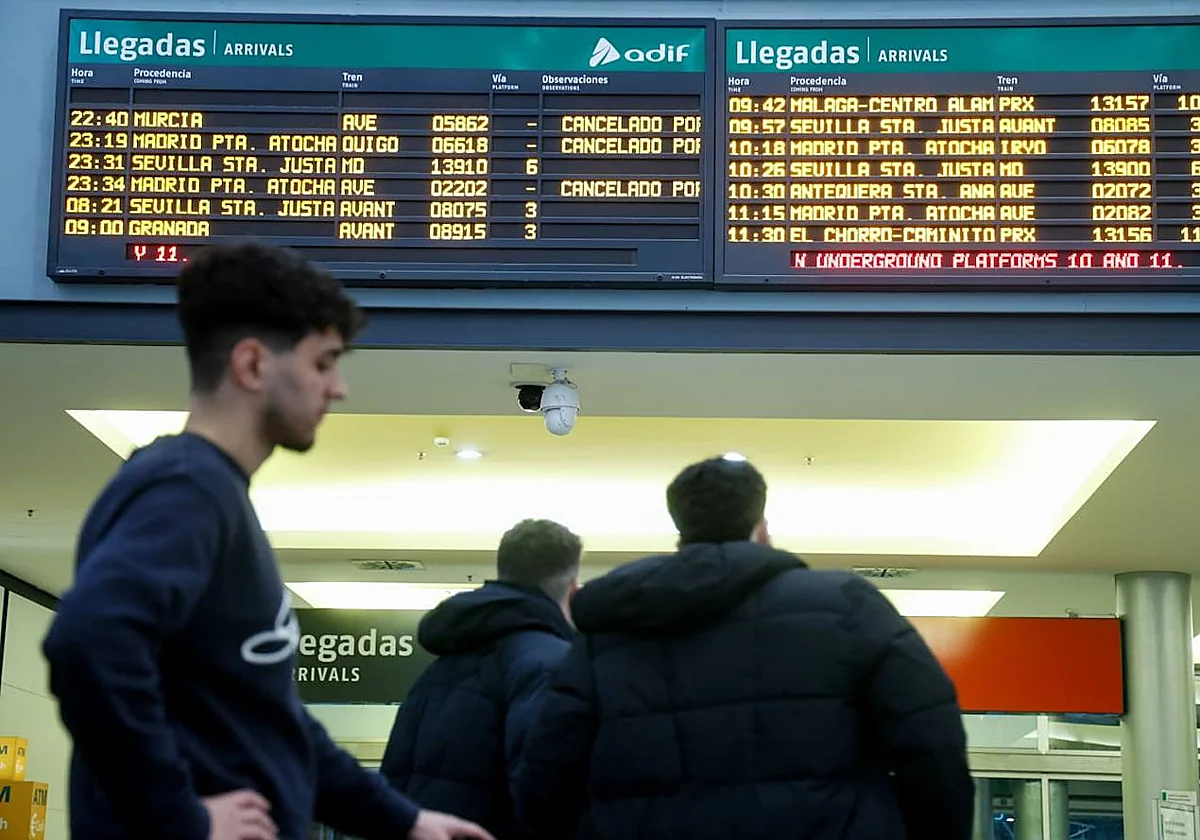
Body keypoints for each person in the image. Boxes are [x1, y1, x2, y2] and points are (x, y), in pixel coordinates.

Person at [42, 242, 494, 840]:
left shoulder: (212, 496)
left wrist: (404, 820)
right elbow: (87, 642)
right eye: (323, 362)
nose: (340, 388)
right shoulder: (188, 487)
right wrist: (181, 817)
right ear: (252, 365)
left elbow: (277, 722)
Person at [514, 457, 974, 840]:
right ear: (763, 528)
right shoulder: (848, 606)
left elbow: (546, 773)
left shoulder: (607, 634)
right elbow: (932, 742)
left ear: (681, 538)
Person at [381, 519, 581, 840]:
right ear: (572, 588)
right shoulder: (550, 662)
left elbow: (395, 777)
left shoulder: (437, 670)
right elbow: (545, 787)